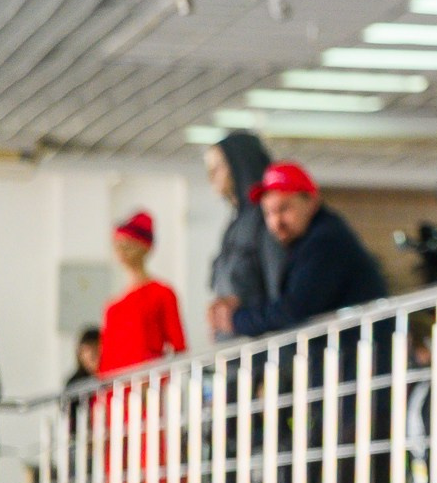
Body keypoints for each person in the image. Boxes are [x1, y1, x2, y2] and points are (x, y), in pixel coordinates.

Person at [212, 163, 388, 338]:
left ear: (311, 202)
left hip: (360, 357)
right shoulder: (310, 240)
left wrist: (235, 319)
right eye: (269, 213)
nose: (276, 222)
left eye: (284, 209)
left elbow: (293, 310)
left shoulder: (325, 241)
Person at [204, 130, 282, 320]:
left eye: (218, 168)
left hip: (259, 340)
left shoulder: (265, 219)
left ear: (239, 166)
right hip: (233, 342)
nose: (212, 177)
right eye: (209, 170)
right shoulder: (234, 225)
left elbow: (277, 293)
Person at [98, 211, 186, 374]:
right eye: (118, 245)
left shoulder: (162, 293)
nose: (121, 251)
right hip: (114, 390)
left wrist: (159, 380)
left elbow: (178, 347)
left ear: (144, 247)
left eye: (128, 244)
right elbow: (106, 359)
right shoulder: (113, 306)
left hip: (146, 387)